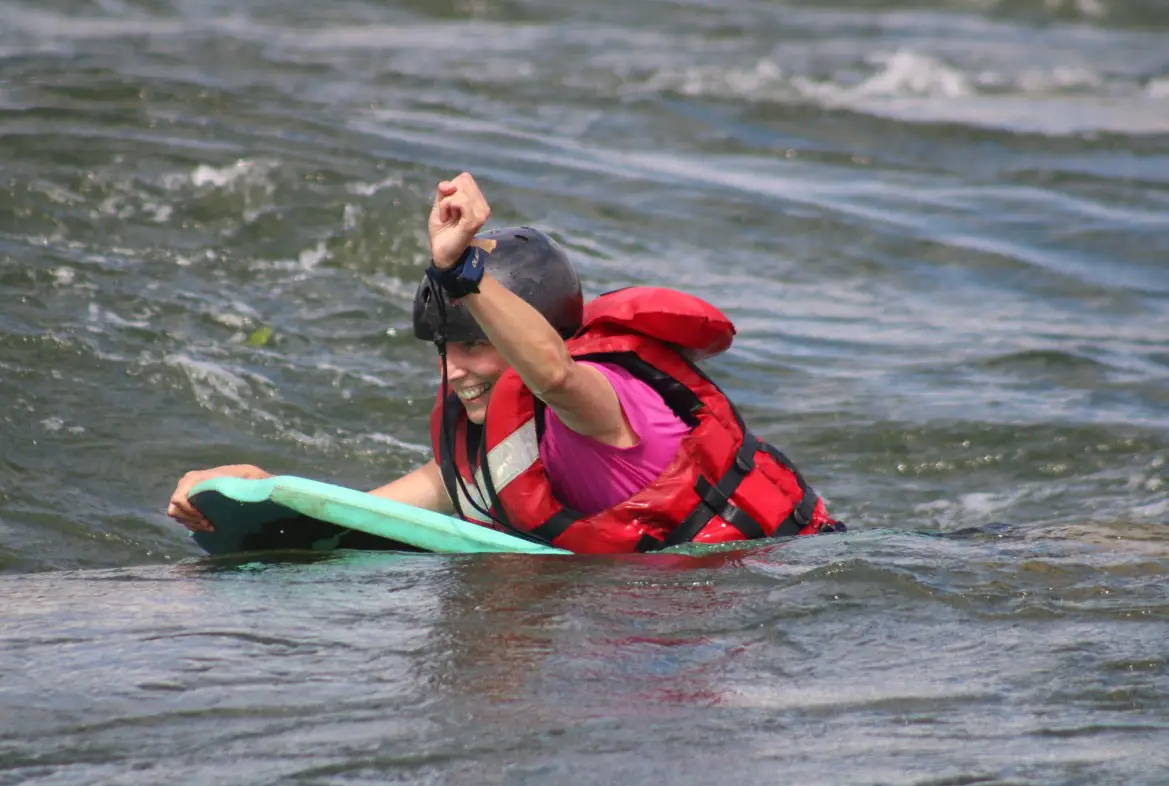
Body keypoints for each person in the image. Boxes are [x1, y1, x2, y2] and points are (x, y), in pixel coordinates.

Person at [168, 173, 844, 553]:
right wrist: (256, 486)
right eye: (445, 351)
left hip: (783, 578)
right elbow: (357, 518)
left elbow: (551, 372)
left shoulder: (607, 403)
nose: (454, 369)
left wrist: (461, 270)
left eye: (472, 346)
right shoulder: (484, 453)